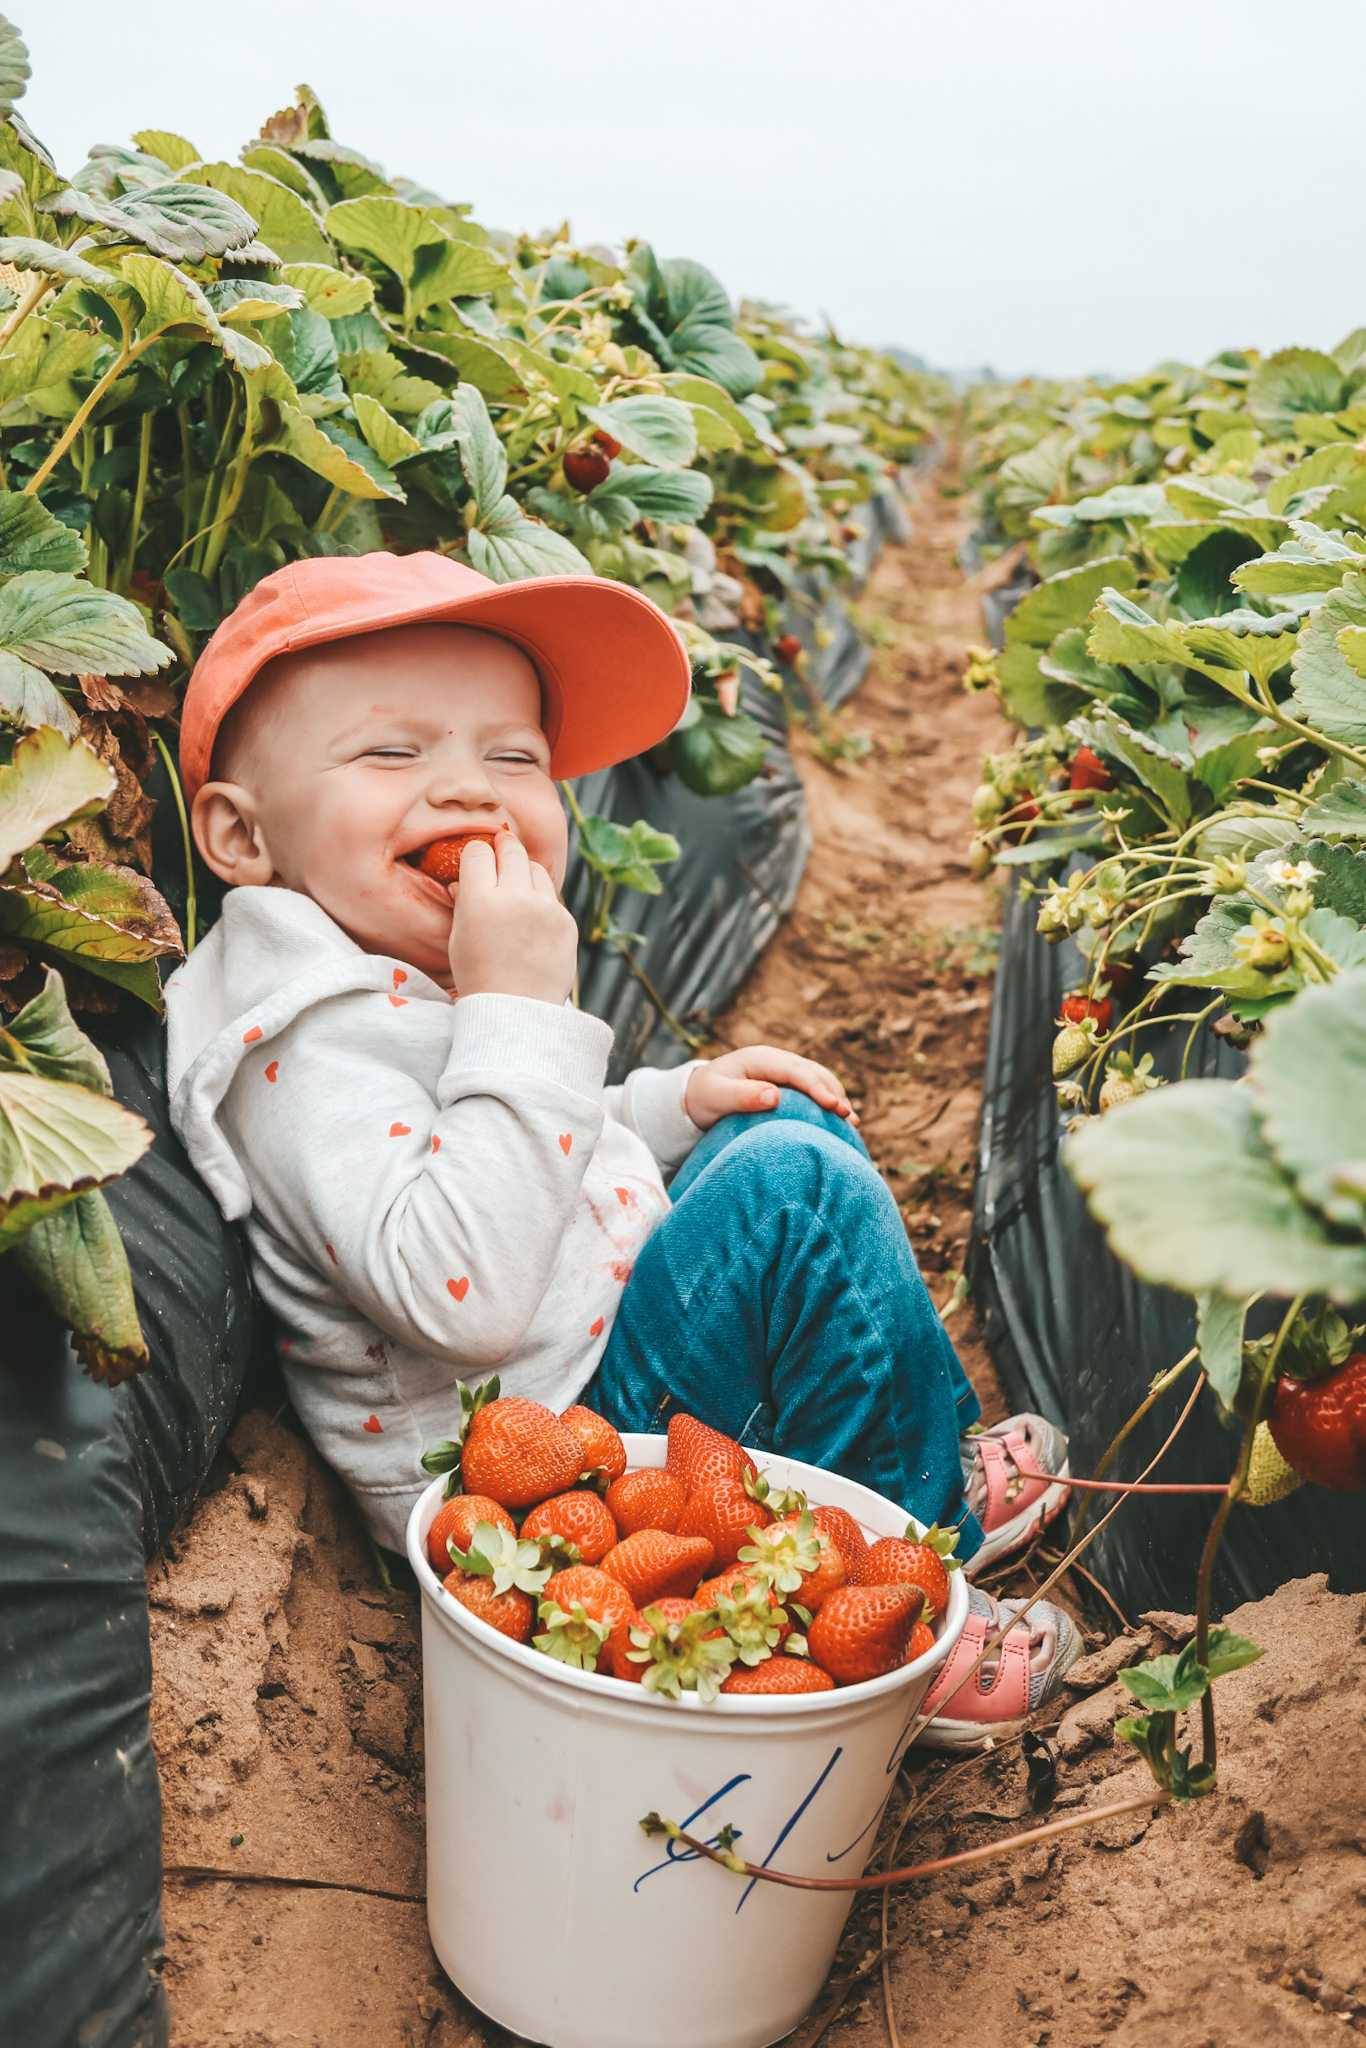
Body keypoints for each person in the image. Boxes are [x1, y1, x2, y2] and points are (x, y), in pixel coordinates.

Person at [165, 550, 1077, 1747]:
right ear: (240, 835)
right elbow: (466, 1293)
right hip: (545, 1473)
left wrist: (666, 1101)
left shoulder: (380, 964)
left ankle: (915, 1481)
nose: (470, 792)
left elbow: (523, 1139)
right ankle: (890, 1618)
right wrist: (523, 1005)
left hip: (583, 1354)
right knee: (789, 1192)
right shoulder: (295, 1053)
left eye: (513, 757)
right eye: (393, 752)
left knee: (773, 1128)